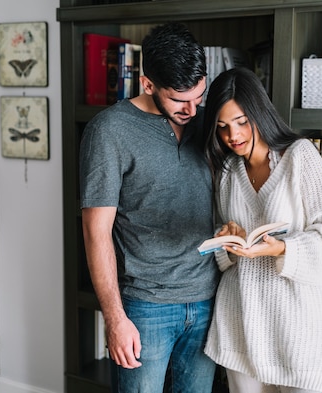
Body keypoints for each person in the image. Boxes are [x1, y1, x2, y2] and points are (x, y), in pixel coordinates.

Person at [79, 22, 219, 393]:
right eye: (179, 99)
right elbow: (96, 233)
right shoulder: (109, 131)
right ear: (147, 84)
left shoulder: (207, 122)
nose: (192, 109)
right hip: (145, 307)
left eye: (199, 96)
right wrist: (115, 318)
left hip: (207, 300)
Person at [202, 67, 322, 393]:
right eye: (222, 127)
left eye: (242, 121)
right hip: (242, 330)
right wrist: (227, 238)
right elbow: (222, 248)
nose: (233, 135)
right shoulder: (228, 170)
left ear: (259, 111)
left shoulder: (300, 157)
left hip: (302, 338)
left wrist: (282, 249)